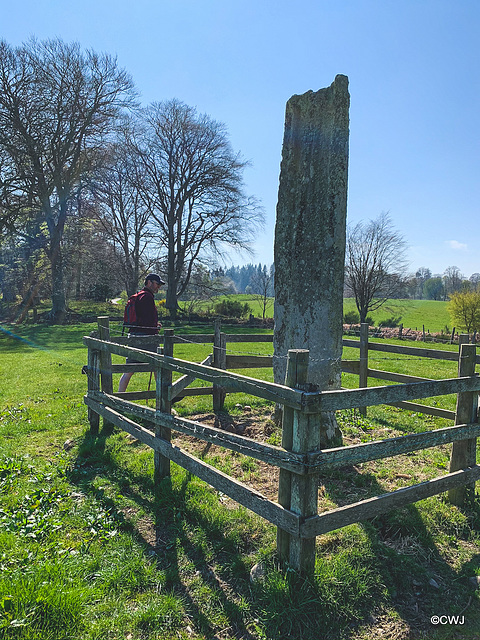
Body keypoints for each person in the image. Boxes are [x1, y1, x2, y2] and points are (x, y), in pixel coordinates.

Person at [118, 274, 165, 392]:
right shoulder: (147, 297)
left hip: (134, 336)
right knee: (157, 366)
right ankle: (164, 397)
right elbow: (147, 320)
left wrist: (153, 325)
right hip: (146, 338)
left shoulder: (138, 296)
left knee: (129, 369)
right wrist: (155, 328)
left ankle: (119, 396)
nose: (158, 287)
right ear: (149, 282)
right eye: (157, 284)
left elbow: (141, 318)